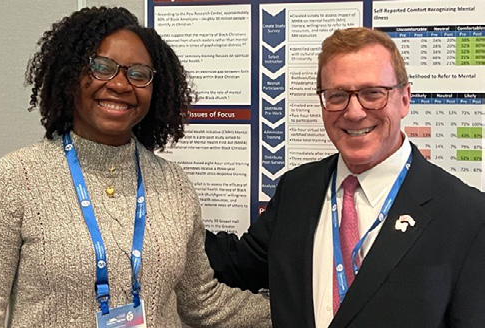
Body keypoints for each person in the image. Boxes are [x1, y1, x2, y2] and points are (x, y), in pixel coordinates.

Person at [0, 7, 270, 328]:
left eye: (138, 74)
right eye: (101, 67)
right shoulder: (15, 179)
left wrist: (304, 305)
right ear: (69, 74)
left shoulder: (173, 184)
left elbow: (203, 301)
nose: (121, 84)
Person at [206, 27, 485, 328]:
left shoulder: (467, 215)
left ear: (404, 99)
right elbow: (238, 265)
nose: (354, 112)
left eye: (372, 94)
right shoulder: (297, 190)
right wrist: (159, 201)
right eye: (337, 95)